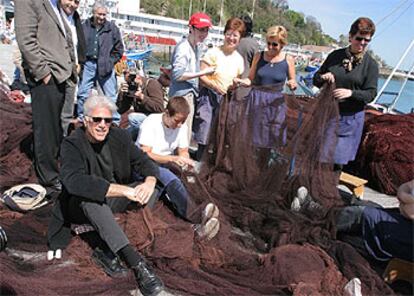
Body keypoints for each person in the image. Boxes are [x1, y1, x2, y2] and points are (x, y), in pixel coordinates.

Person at [47, 95, 164, 296]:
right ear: (85, 120)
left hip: (111, 199)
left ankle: (104, 248)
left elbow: (144, 161)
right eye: (96, 119)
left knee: (151, 189)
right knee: (92, 200)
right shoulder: (72, 144)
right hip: (81, 205)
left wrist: (149, 181)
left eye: (107, 120)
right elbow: (74, 181)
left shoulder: (119, 136)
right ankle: (137, 264)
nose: (102, 125)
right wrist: (123, 190)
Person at [15, 0, 77, 192]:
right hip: (47, 77)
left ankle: (53, 167)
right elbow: (26, 39)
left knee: (56, 128)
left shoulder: (54, 4)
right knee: (46, 130)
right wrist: (43, 73)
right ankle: (48, 179)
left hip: (63, 75)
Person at [137, 96, 220, 238]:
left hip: (166, 161)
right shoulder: (151, 122)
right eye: (177, 121)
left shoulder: (182, 126)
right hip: (145, 163)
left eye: (183, 121)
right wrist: (173, 158)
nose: (180, 125)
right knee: (172, 181)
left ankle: (201, 207)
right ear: (167, 113)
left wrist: (185, 160)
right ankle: (196, 219)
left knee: (190, 177)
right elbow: (146, 153)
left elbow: (183, 151)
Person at [313, 17, 379, 173]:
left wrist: (351, 93)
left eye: (366, 41)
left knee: (336, 163)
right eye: (359, 39)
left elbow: (371, 94)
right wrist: (323, 77)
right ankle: (312, 192)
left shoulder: (371, 65)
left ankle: (327, 194)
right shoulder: (335, 56)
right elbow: (316, 79)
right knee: (320, 158)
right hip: (328, 115)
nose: (362, 43)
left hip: (350, 119)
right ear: (350, 36)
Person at [234, 25, 297, 165]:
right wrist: (240, 81)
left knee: (269, 139)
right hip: (256, 101)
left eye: (275, 44)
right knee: (251, 138)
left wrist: (292, 84)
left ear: (282, 44)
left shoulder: (288, 59)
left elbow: (293, 80)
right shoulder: (259, 56)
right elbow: (250, 79)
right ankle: (248, 168)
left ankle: (262, 169)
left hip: (275, 104)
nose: (270, 47)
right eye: (268, 43)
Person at [193, 17, 245, 160]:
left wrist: (235, 84)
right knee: (204, 131)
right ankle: (199, 163)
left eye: (235, 35)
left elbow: (236, 81)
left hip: (226, 100)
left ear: (240, 38)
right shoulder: (213, 53)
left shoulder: (239, 59)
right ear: (224, 34)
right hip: (209, 96)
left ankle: (213, 165)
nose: (231, 38)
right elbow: (201, 76)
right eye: (229, 34)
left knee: (220, 134)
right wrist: (214, 86)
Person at [169, 12, 216, 143]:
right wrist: (203, 72)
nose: (204, 33)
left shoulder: (195, 47)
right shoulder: (184, 48)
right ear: (191, 28)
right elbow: (178, 75)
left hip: (187, 94)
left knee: (183, 133)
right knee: (181, 134)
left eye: (206, 30)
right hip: (182, 96)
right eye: (201, 29)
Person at [76, 1, 124, 124]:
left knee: (111, 96)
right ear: (93, 13)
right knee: (82, 94)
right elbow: (78, 45)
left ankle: (114, 121)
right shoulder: (84, 26)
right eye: (99, 14)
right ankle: (82, 118)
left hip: (105, 65)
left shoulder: (112, 28)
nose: (102, 17)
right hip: (88, 63)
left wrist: (111, 61)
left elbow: (119, 49)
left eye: (104, 15)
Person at [59, 0, 86, 137]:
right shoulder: (54, 15)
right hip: (56, 71)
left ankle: (63, 140)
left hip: (72, 71)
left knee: (67, 112)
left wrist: (80, 62)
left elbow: (78, 43)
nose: (73, 4)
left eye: (76, 1)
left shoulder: (75, 18)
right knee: (52, 111)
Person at [116, 70, 167, 141]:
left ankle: (150, 139)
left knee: (132, 117)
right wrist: (122, 94)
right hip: (142, 121)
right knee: (122, 137)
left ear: (138, 77)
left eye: (133, 79)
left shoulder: (152, 84)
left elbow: (159, 108)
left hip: (155, 120)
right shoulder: (131, 87)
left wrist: (142, 97)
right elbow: (120, 110)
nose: (132, 83)